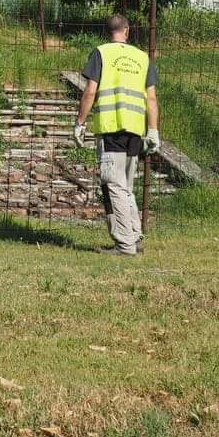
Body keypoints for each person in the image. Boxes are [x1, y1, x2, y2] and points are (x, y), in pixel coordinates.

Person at [73, 13, 160, 257]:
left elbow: (91, 92)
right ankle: (134, 236)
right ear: (127, 31)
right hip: (135, 129)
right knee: (126, 187)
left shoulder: (102, 53)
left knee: (114, 184)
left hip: (111, 127)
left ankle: (125, 245)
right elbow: (151, 98)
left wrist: (80, 123)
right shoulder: (142, 58)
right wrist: (153, 130)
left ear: (107, 32)